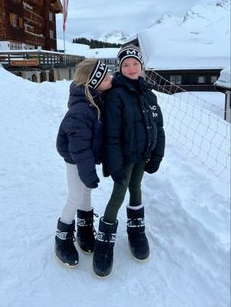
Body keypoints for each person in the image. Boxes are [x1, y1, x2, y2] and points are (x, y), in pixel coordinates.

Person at [93, 45, 165, 277]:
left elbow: (159, 127)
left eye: (135, 63)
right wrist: (114, 165)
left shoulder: (149, 93)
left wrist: (157, 154)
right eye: (126, 65)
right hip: (124, 156)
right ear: (120, 68)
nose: (132, 68)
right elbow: (111, 134)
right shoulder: (116, 95)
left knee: (136, 187)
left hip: (143, 154)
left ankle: (136, 229)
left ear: (141, 66)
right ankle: (104, 240)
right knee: (119, 192)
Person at [55, 59, 112, 267]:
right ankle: (62, 236)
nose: (111, 80)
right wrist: (88, 173)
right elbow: (78, 148)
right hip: (74, 157)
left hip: (85, 156)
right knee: (75, 195)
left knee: (85, 191)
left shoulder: (97, 99)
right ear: (94, 84)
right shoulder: (80, 111)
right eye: (106, 78)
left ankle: (85, 228)